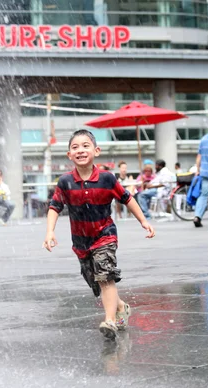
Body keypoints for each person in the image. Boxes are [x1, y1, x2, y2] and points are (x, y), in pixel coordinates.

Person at [43, 129, 155, 340]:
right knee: (97, 282)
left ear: (96, 150)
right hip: (81, 241)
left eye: (86, 146)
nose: (80, 150)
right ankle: (121, 306)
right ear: (69, 155)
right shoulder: (65, 182)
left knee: (105, 277)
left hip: (105, 235)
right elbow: (54, 206)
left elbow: (127, 198)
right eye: (75, 147)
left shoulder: (107, 179)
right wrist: (50, 232)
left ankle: (110, 320)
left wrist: (143, 221)